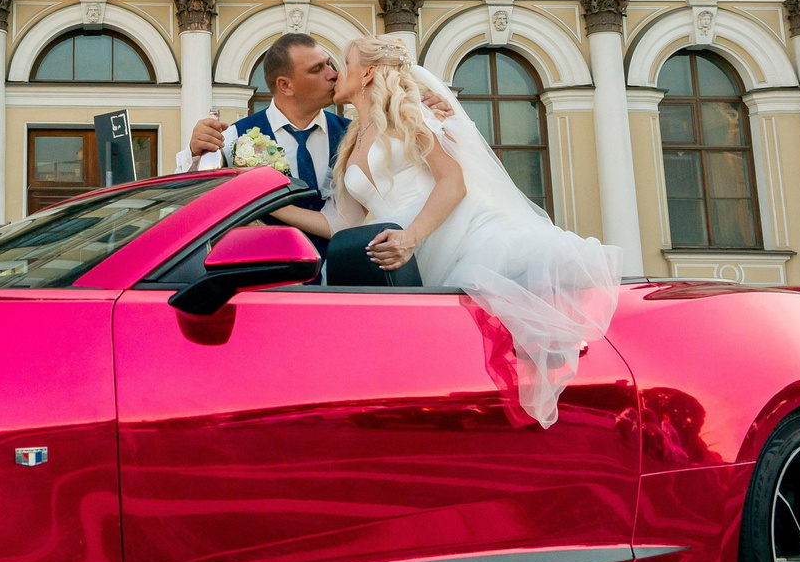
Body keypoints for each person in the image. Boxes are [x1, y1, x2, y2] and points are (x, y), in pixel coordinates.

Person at [324, 34, 622, 426]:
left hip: (441, 238)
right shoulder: (352, 141)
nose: (335, 73)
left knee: (481, 341)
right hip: (405, 260)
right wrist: (268, 198)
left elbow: (453, 181)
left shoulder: (412, 115)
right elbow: (339, 223)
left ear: (368, 72)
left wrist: (412, 237)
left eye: (343, 63)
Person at [179, 33, 349, 229]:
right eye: (317, 69)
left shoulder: (350, 133)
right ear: (285, 85)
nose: (333, 74)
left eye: (329, 64)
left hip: (335, 259)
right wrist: (194, 153)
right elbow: (188, 197)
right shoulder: (236, 136)